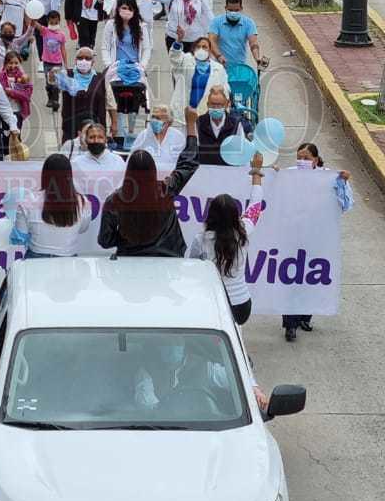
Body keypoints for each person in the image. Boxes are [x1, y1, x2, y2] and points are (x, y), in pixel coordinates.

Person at [98, 108, 199, 257]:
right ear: (153, 170)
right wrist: (191, 127)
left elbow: (105, 240)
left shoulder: (114, 200)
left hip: (130, 261)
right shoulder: (165, 189)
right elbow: (188, 164)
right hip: (167, 260)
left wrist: (126, 238)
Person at [282, 143, 353, 341]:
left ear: (315, 159)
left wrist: (343, 182)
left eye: (306, 158)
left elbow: (345, 204)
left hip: (317, 237)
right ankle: (290, 324)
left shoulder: (328, 178)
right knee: (292, 278)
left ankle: (305, 316)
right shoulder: (289, 174)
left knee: (311, 278)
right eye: (299, 157)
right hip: (293, 235)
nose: (302, 161)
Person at [187, 153, 265, 326]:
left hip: (214, 303)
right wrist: (257, 172)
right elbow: (256, 204)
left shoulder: (201, 239)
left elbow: (189, 267)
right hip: (242, 305)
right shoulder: (243, 231)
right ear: (235, 214)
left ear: (210, 215)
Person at [11, 154, 92, 257]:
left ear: (44, 174)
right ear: (69, 175)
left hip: (36, 260)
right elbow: (83, 229)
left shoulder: (27, 201)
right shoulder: (83, 202)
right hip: (69, 260)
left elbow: (21, 235)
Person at [101, 0, 150, 150]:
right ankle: (120, 135)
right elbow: (104, 47)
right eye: (123, 8)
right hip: (117, 67)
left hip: (135, 67)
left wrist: (142, 66)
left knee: (138, 97)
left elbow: (147, 49)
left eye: (129, 8)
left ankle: (131, 131)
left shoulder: (142, 27)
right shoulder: (111, 25)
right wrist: (110, 65)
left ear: (134, 11)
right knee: (116, 100)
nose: (126, 11)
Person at [51, 45, 109, 143]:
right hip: (71, 126)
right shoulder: (67, 75)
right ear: (75, 60)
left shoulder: (100, 78)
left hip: (95, 128)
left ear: (93, 62)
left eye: (87, 58)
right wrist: (53, 74)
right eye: (80, 58)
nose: (83, 61)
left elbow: (110, 103)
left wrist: (113, 124)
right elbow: (52, 81)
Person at [170, 36, 230, 125]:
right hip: (184, 112)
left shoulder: (218, 68)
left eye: (204, 47)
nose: (201, 49)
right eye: (198, 47)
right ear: (194, 49)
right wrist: (178, 41)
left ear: (210, 51)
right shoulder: (186, 60)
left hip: (206, 114)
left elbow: (226, 90)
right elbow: (175, 59)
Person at [209, 0, 263, 71]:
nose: (233, 13)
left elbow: (253, 43)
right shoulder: (216, 22)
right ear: (225, 8)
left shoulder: (249, 23)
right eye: (230, 10)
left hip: (240, 68)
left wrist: (257, 58)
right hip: (220, 67)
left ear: (241, 8)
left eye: (236, 10)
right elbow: (211, 40)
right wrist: (219, 56)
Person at [196, 86, 244, 163]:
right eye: (213, 104)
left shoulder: (236, 124)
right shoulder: (199, 122)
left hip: (228, 169)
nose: (216, 108)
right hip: (205, 169)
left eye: (219, 105)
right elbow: (194, 150)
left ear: (226, 104)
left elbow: (240, 149)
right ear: (208, 105)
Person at [131, 104, 186, 169]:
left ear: (168, 122)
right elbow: (131, 159)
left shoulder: (178, 137)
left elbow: (184, 162)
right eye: (153, 117)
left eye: (158, 118)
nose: (154, 120)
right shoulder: (143, 135)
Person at [0, 50, 33, 132]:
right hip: (4, 111)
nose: (13, 66)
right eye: (10, 63)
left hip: (18, 111)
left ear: (20, 63)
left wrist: (12, 92)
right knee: (6, 135)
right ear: (5, 64)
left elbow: (27, 96)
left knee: (16, 136)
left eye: (16, 63)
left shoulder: (24, 78)